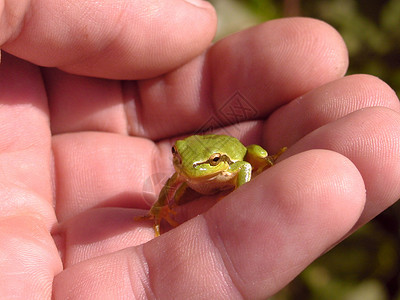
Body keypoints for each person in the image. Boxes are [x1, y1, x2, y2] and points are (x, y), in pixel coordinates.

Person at [1, 1, 399, 298]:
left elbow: (243, 165)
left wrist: (244, 185)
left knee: (261, 155)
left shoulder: (228, 164)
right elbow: (175, 182)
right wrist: (161, 207)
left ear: (217, 163)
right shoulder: (185, 170)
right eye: (179, 160)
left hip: (239, 155)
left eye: (205, 165)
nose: (189, 169)